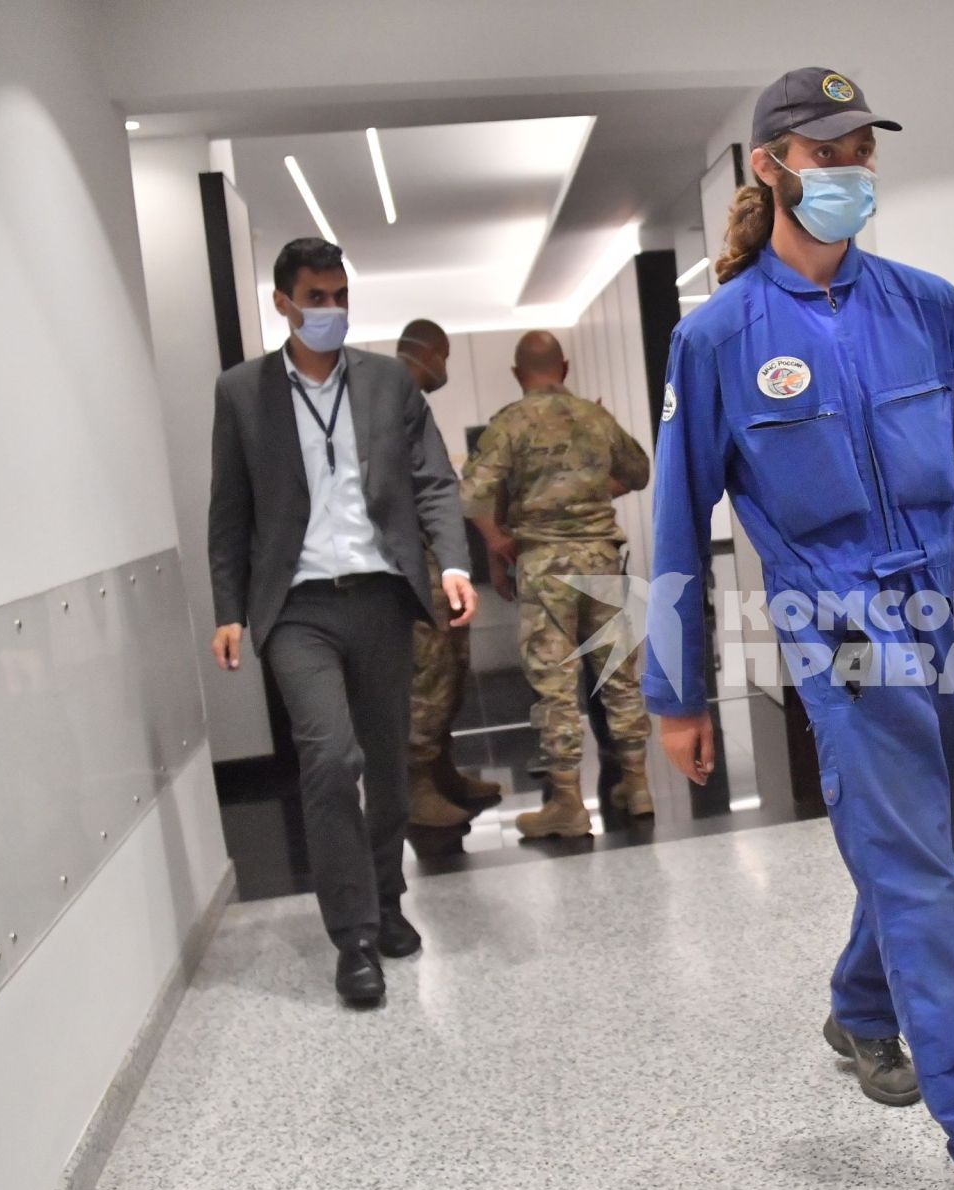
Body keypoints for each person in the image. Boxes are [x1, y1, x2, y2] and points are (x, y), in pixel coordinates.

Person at [642, 68, 954, 1190]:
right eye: (822, 151)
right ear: (771, 167)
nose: (849, 169)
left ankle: (862, 1006)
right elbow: (674, 523)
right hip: (839, 636)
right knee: (918, 869)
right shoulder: (716, 338)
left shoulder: (929, 305)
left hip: (936, 620)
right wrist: (677, 687)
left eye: (861, 148)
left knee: (916, 839)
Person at [207, 238, 477, 1006]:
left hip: (382, 597)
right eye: (314, 298)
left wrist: (451, 564)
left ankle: (388, 897)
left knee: (390, 771)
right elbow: (228, 512)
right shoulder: (241, 392)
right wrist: (230, 609)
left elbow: (434, 482)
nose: (329, 311)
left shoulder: (389, 383)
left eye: (339, 297)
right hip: (297, 608)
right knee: (329, 760)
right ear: (282, 303)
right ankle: (353, 937)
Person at [462, 330, 653, 838]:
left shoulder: (510, 423)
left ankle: (568, 802)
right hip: (601, 559)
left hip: (546, 568)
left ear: (516, 374)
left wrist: (498, 540)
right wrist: (590, 493)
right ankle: (636, 786)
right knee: (618, 675)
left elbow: (472, 493)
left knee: (556, 685)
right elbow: (638, 472)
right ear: (564, 367)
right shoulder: (596, 417)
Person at [395, 318, 502, 828]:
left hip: (434, 563)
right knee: (430, 674)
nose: (445, 369)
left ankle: (441, 771)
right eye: (445, 357)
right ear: (429, 353)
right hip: (410, 565)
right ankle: (416, 785)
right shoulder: (391, 398)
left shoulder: (411, 402)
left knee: (451, 669)